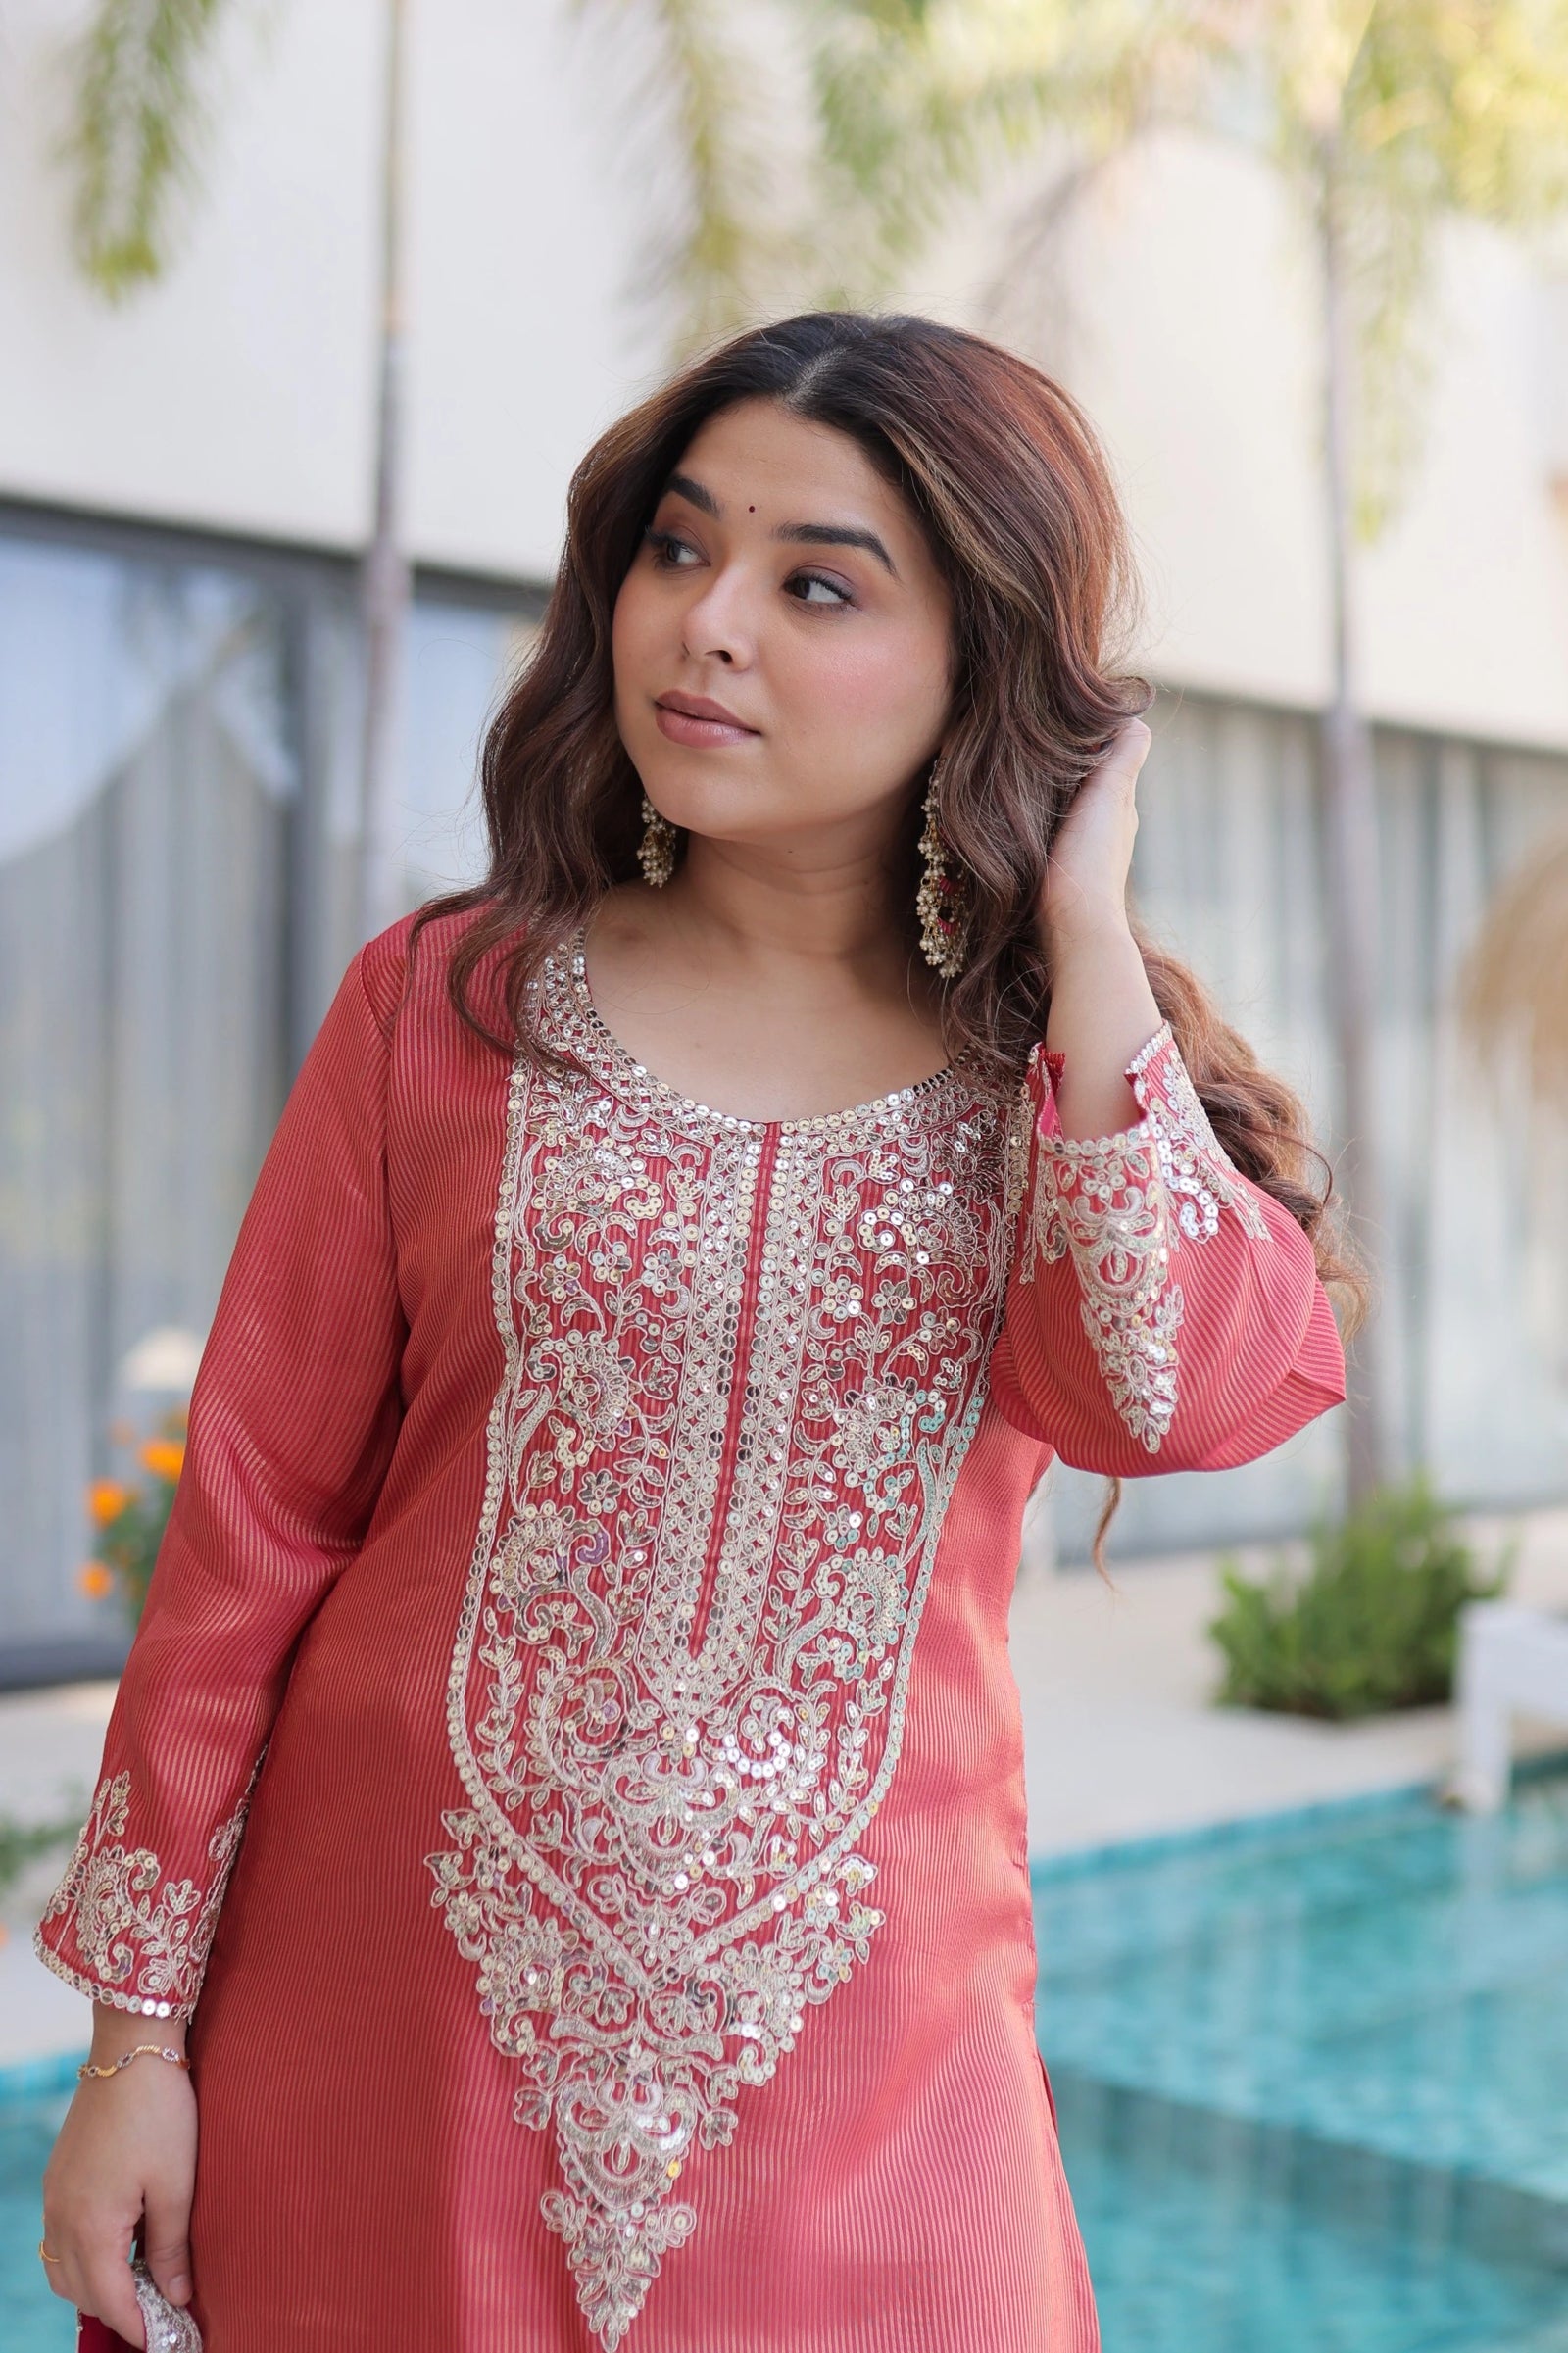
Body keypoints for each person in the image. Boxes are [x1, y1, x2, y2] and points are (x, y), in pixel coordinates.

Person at [37, 311, 1354, 2353]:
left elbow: (1178, 1394)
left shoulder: (1055, 1092)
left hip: (872, 2064)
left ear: (975, 666)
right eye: (676, 550)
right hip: (383, 2016)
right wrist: (134, 2047)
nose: (707, 623)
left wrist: (1081, 928)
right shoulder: (442, 1009)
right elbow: (248, 1534)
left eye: (813, 582)